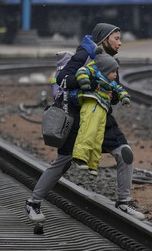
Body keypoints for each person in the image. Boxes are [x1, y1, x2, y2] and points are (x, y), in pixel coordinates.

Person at [25, 23, 145, 222]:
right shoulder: (83, 55)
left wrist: (115, 95)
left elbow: (115, 91)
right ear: (104, 40)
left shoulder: (112, 61)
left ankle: (124, 201)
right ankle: (33, 203)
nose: (120, 43)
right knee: (62, 164)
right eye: (116, 38)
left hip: (102, 117)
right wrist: (87, 83)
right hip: (77, 118)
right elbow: (62, 78)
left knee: (125, 153)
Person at [73, 48, 131, 176]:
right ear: (106, 71)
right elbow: (82, 71)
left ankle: (93, 164)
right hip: (92, 104)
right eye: (113, 72)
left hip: (102, 109)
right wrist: (85, 83)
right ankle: (80, 157)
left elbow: (120, 89)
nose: (116, 74)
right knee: (88, 131)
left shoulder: (110, 83)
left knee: (98, 138)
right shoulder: (97, 74)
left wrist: (125, 98)